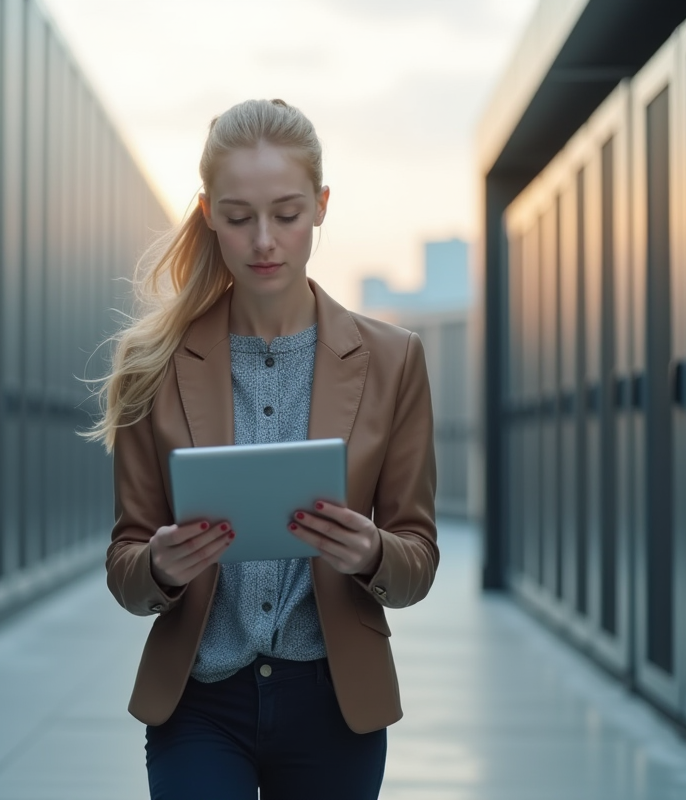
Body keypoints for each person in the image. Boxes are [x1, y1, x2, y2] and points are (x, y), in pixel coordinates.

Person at [87, 98, 438, 800]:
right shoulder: (149, 365)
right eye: (240, 217)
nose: (264, 241)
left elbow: (418, 557)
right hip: (200, 703)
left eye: (287, 213)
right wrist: (159, 564)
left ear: (322, 206)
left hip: (337, 703)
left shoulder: (394, 360)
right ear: (210, 212)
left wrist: (370, 552)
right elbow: (126, 565)